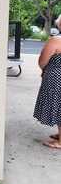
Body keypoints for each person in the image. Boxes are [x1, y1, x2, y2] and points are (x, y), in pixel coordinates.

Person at [33, 15, 61, 149]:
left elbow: (42, 61)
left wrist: (44, 70)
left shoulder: (56, 40)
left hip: (57, 79)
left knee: (58, 106)